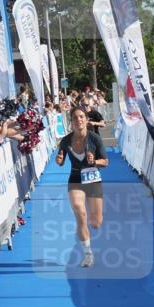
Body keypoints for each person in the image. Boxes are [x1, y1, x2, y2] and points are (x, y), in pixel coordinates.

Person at [55, 107, 108, 268]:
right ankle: (88, 254)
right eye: (75, 118)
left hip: (93, 179)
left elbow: (105, 162)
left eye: (81, 117)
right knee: (79, 210)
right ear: (71, 122)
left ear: (86, 120)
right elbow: (60, 161)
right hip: (76, 177)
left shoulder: (94, 139)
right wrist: (59, 160)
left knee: (96, 222)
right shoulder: (65, 140)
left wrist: (94, 161)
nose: (79, 120)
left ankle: (85, 226)